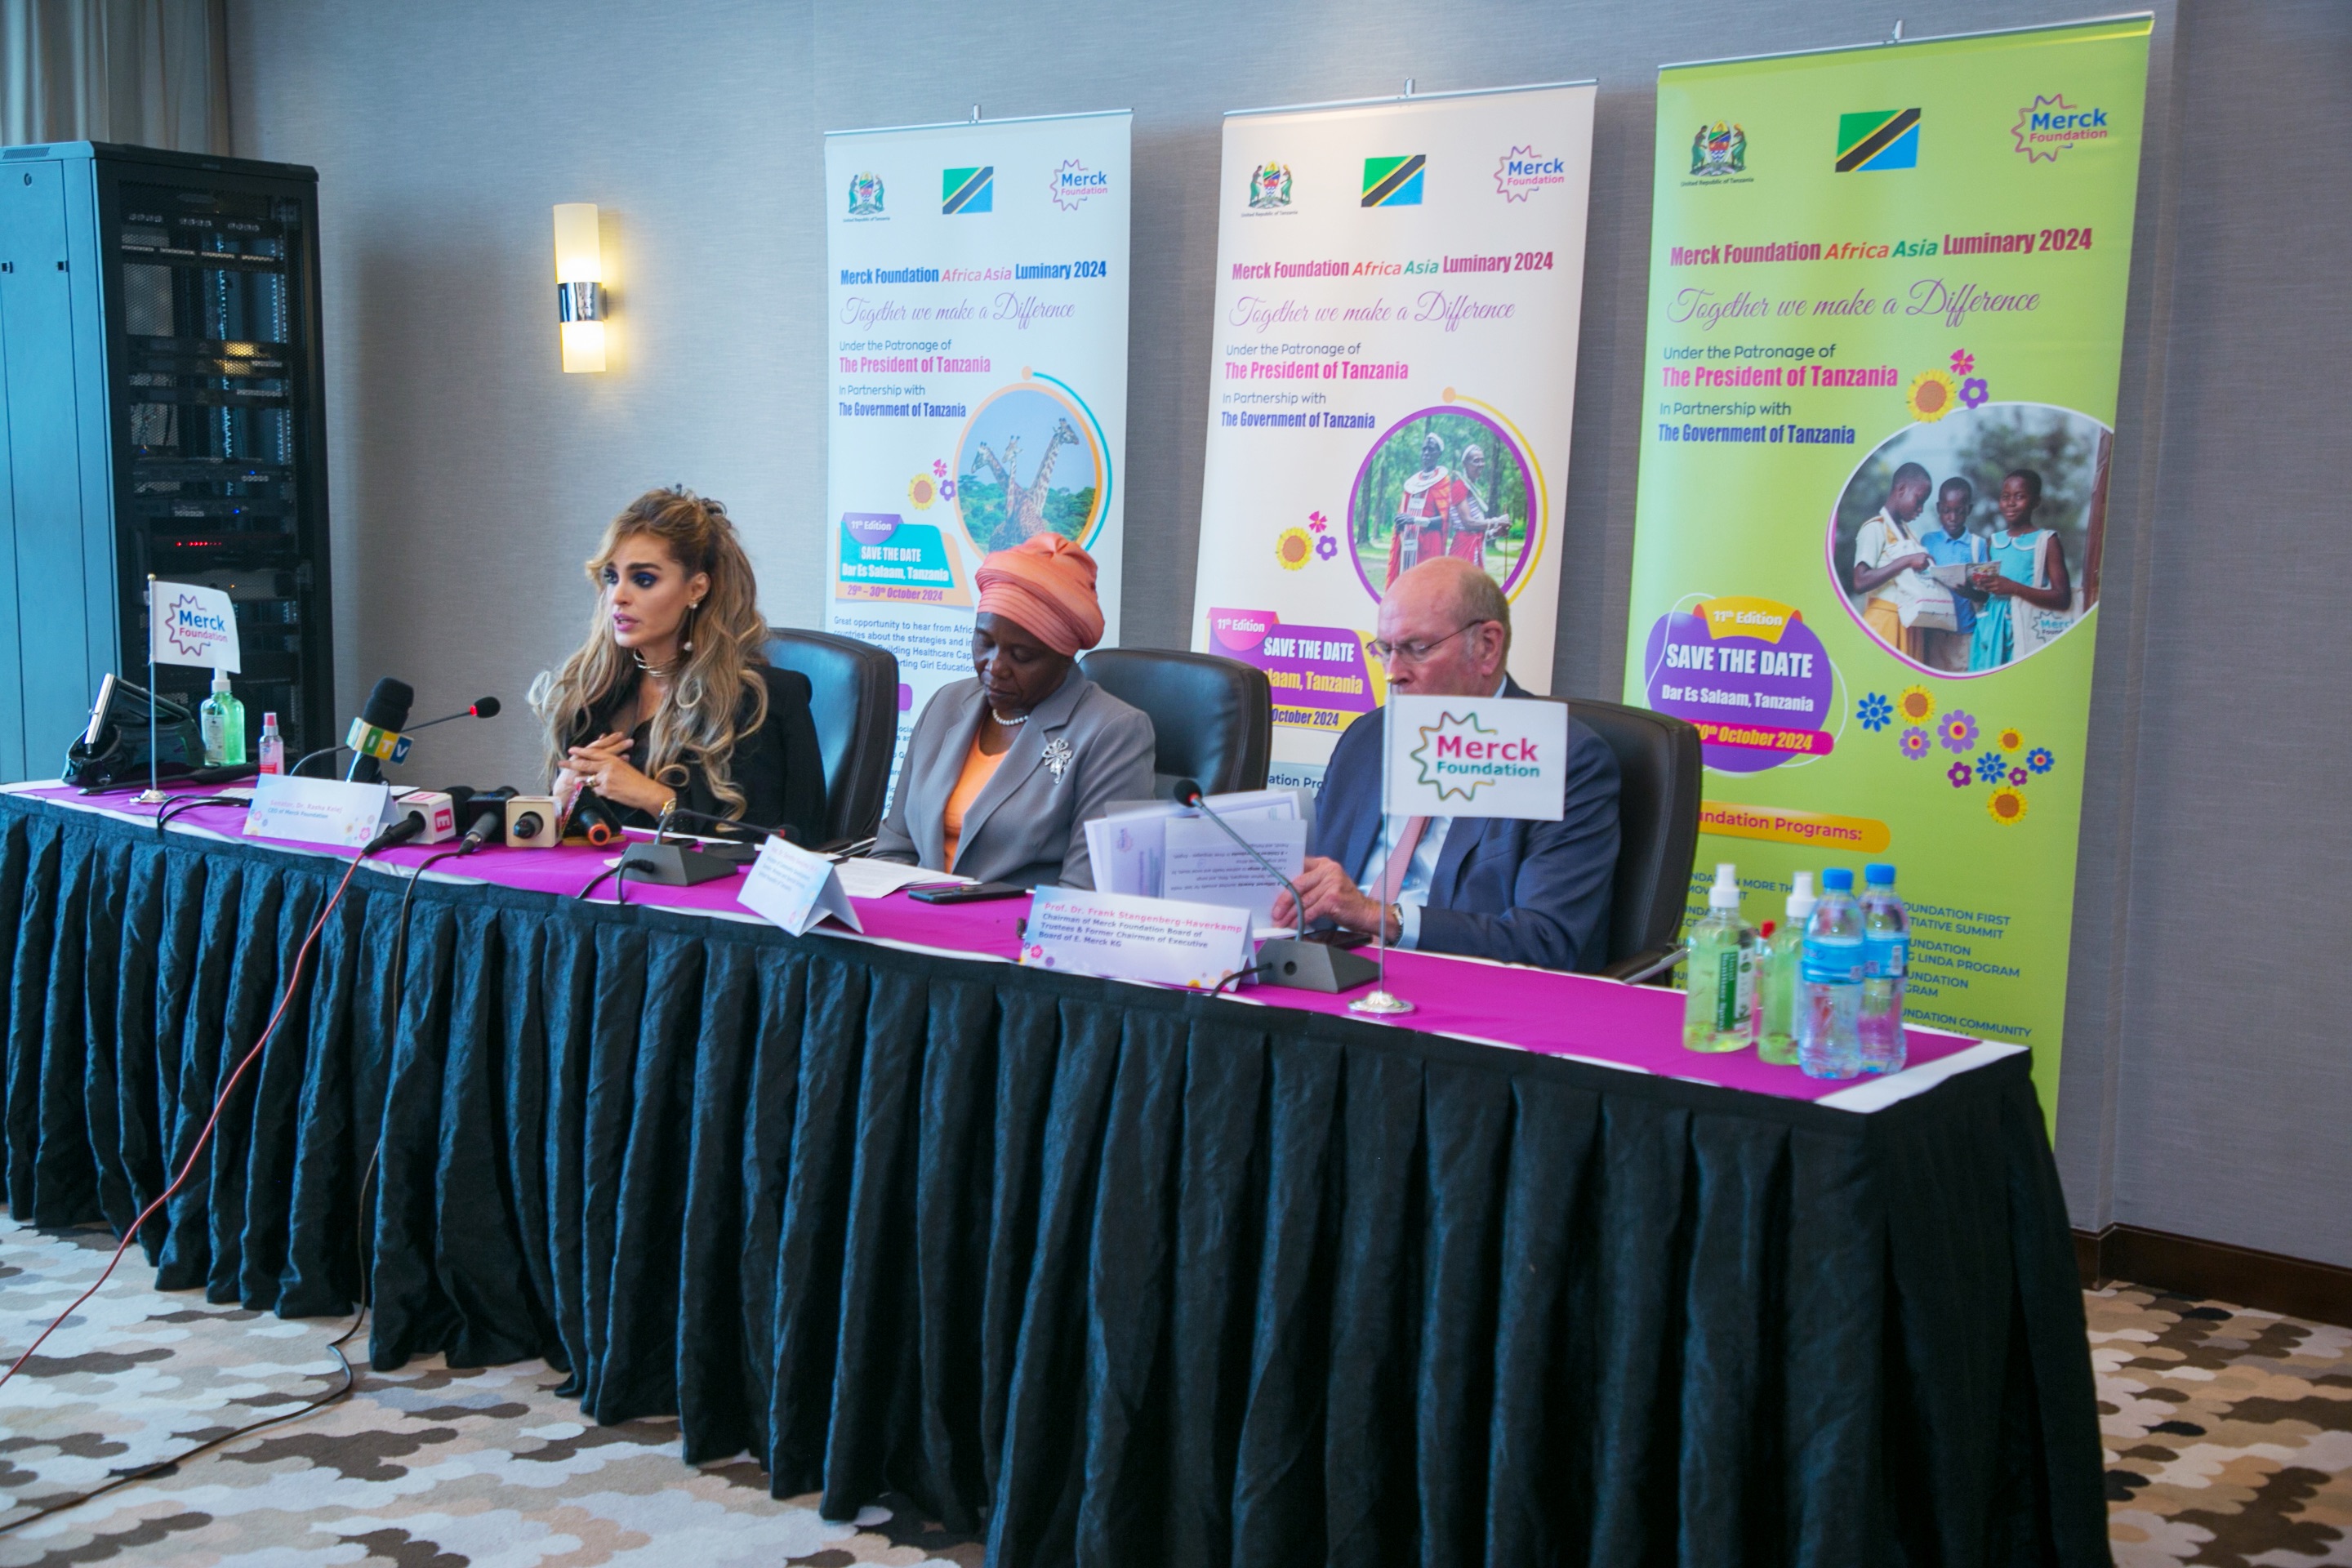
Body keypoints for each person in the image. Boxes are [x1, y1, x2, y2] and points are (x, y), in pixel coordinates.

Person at [1271, 556, 1622, 972]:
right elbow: (1312, 876)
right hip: (1330, 972)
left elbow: (1545, 939)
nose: (1393, 673)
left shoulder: (1561, 759)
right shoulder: (1367, 738)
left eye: (1417, 649)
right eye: (1385, 650)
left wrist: (1380, 917)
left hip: (1459, 983)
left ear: (1487, 646)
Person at [536, 487, 826, 842]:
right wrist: (560, 802)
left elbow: (778, 845)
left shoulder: (757, 703)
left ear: (696, 589)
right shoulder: (592, 696)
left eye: (643, 580)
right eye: (612, 577)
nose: (618, 596)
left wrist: (654, 798)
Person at [872, 532, 1153, 888]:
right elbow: (894, 848)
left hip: (1020, 923)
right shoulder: (946, 704)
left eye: (1021, 656)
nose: (995, 667)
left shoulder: (1112, 733)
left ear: (1064, 657)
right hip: (915, 917)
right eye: (985, 642)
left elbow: (1084, 894)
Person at [1848, 461, 1955, 662]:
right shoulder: (1875, 529)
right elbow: (1860, 582)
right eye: (1919, 500)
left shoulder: (1910, 534)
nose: (1921, 509)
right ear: (1901, 489)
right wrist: (1907, 560)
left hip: (1912, 626)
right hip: (1885, 623)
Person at [1969, 468, 2074, 670]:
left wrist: (2013, 588)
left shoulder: (2047, 540)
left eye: (2020, 497)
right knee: (1986, 681)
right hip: (1991, 628)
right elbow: (1990, 594)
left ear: (2036, 502)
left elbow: (2063, 598)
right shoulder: (1994, 541)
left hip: (2025, 626)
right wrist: (1970, 589)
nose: (2011, 503)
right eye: (2005, 497)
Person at [1917, 476, 1989, 673]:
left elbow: (1987, 595)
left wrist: (1969, 592)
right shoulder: (1928, 541)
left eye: (1959, 511)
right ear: (1938, 508)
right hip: (1934, 633)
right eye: (1947, 511)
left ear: (1969, 510)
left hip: (1967, 635)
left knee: (1965, 684)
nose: (1953, 517)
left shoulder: (1978, 545)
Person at [1384, 431, 1454, 586]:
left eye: (1431, 449)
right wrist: (1400, 522)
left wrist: (1415, 520)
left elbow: (1443, 520)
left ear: (1439, 454)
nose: (1426, 453)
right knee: (1406, 584)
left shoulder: (1443, 481)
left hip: (1430, 542)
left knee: (1426, 587)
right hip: (1409, 541)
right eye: (1424, 449)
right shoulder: (1412, 483)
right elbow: (1403, 511)